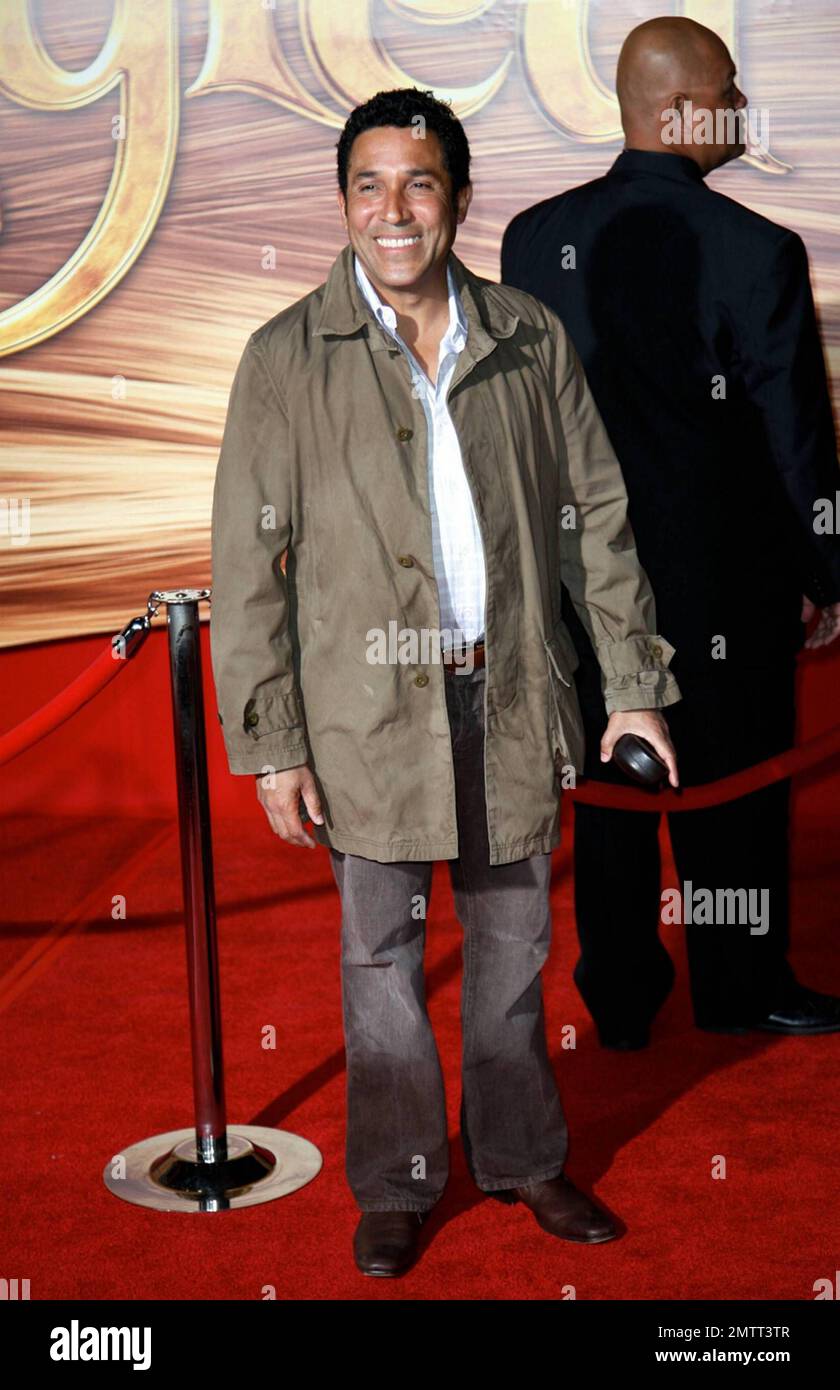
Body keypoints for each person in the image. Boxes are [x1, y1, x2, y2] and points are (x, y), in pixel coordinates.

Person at [210, 87, 680, 1276]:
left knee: (514, 948)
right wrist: (271, 740)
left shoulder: (528, 336)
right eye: (369, 184)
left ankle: (522, 1156)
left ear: (460, 199)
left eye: (419, 182)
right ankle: (402, 1180)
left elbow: (599, 526)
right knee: (380, 962)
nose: (394, 209)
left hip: (511, 692)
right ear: (343, 202)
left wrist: (632, 685)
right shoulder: (283, 357)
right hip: (365, 710)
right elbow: (247, 563)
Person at [501, 16, 840, 1048]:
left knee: (608, 788)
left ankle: (621, 999)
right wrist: (824, 570)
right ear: (683, 103)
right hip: (727, 585)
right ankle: (738, 986)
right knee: (735, 794)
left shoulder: (531, 238)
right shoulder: (758, 250)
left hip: (578, 582)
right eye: (731, 90)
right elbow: (797, 442)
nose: (742, 109)